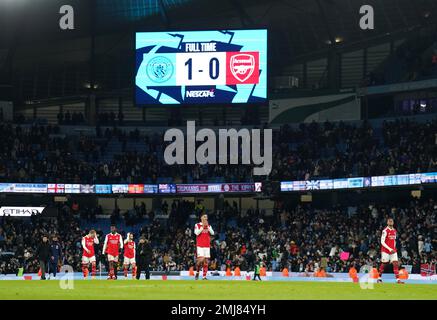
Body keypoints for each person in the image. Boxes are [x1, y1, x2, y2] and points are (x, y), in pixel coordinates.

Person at [378, 218, 403, 284]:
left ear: (393, 222)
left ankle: (398, 280)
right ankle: (379, 278)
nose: (391, 222)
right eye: (389, 221)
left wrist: (394, 248)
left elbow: (394, 240)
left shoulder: (394, 230)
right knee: (384, 263)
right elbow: (382, 242)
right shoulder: (385, 231)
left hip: (393, 250)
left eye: (392, 221)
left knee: (395, 264)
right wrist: (389, 249)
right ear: (387, 223)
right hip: (385, 250)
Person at [194, 213, 214, 280]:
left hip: (207, 245)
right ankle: (197, 272)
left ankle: (204, 277)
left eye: (206, 217)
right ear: (201, 218)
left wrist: (207, 227)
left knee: (206, 261)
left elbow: (212, 233)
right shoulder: (197, 225)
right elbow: (196, 233)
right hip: (200, 245)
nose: (206, 218)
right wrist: (202, 227)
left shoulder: (208, 225)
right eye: (204, 217)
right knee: (201, 260)